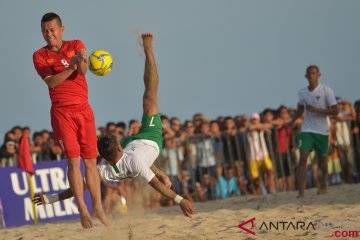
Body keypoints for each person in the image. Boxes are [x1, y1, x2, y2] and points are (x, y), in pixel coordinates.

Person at [34, 33, 195, 217]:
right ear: (119, 146)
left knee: (139, 159)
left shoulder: (104, 170)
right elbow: (155, 184)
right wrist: (180, 200)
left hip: (133, 144)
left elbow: (79, 187)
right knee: (150, 97)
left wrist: (52, 199)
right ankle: (149, 51)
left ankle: (148, 52)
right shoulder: (129, 162)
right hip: (151, 139)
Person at [32, 12, 108, 228]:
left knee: (91, 161)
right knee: (73, 161)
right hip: (62, 113)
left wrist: (80, 61)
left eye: (52, 29)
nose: (49, 34)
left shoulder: (75, 44)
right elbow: (51, 83)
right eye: (45, 31)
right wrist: (70, 67)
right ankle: (83, 210)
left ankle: (98, 207)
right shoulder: (39, 55)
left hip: (84, 110)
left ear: (61, 29)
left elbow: (84, 71)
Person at [292, 65, 338, 198]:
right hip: (307, 129)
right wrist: (292, 120)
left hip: (322, 132)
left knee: (322, 162)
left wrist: (317, 110)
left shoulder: (326, 90)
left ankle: (323, 183)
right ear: (306, 76)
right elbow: (301, 107)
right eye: (309, 74)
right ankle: (301, 192)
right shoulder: (302, 92)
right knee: (303, 158)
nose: (311, 76)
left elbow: (335, 110)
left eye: (314, 73)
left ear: (319, 75)